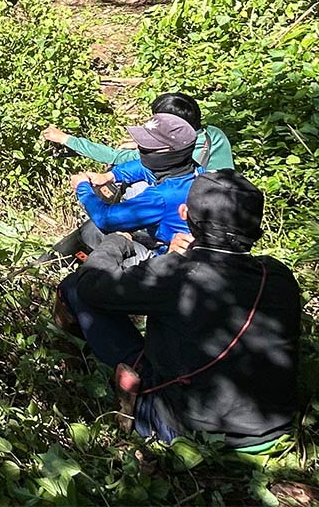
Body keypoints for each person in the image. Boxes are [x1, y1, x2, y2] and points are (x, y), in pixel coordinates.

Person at [54, 170, 301, 449]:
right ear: (255, 228)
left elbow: (92, 286)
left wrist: (117, 241)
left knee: (76, 287)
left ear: (184, 214)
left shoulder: (176, 274)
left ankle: (80, 364)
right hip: (275, 429)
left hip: (189, 432)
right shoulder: (278, 275)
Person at [69, 112, 202, 256]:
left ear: (169, 153)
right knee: (134, 188)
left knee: (92, 232)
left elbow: (105, 219)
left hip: (166, 256)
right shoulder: (195, 171)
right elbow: (144, 167)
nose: (139, 148)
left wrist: (82, 187)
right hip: (175, 236)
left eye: (147, 148)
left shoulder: (161, 197)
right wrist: (110, 176)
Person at [44, 92, 233, 171]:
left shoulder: (170, 155)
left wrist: (65, 138)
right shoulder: (214, 134)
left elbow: (114, 156)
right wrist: (137, 143)